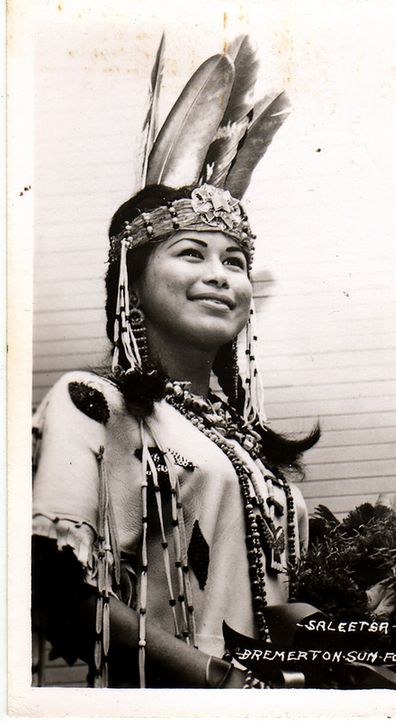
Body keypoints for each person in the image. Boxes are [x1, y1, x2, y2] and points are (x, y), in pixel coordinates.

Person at [32, 36, 320, 689]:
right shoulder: (94, 404)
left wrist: (376, 642)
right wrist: (221, 682)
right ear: (133, 281)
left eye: (236, 261)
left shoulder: (251, 446)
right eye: (191, 252)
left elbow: (283, 609)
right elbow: (60, 593)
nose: (221, 276)